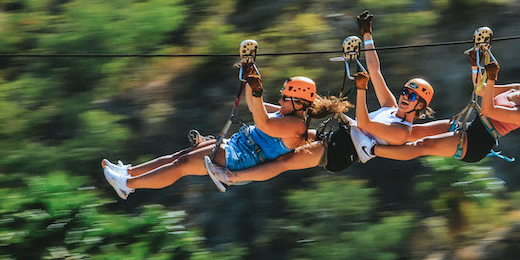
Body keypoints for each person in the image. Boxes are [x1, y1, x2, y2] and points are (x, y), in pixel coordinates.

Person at [204, 11, 440, 186]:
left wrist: (360, 90)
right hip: (338, 136)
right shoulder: (390, 107)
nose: (404, 97)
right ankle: (222, 139)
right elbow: (376, 71)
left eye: (411, 95)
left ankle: (232, 177)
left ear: (420, 105)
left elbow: (365, 123)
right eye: (404, 92)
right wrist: (367, 35)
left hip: (341, 151)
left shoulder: (402, 131)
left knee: (284, 162)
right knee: (286, 122)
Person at [101, 75, 348, 198]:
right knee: (180, 156)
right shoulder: (288, 114)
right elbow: (254, 106)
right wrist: (251, 77)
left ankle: (127, 185)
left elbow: (262, 121)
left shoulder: (295, 126)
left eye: (284, 98)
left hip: (241, 158)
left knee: (183, 165)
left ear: (297, 103)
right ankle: (129, 173)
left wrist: (259, 92)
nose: (281, 100)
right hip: (239, 147)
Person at [353, 58, 520, 164]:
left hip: (477, 142)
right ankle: (378, 134)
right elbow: (480, 89)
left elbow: (488, 109)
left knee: (422, 145)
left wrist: (491, 79)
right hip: (471, 127)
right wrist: (476, 65)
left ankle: (371, 151)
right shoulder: (516, 87)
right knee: (415, 131)